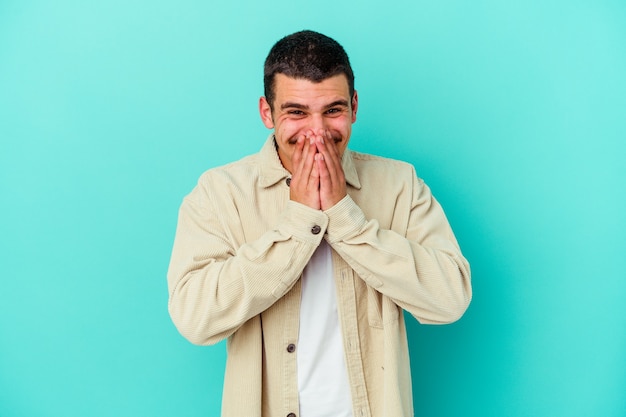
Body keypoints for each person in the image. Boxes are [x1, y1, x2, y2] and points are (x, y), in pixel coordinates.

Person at [167, 30, 472, 417]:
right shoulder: (218, 193)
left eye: (333, 110)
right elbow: (195, 318)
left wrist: (345, 216)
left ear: (354, 106)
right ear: (267, 112)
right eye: (296, 112)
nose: (317, 132)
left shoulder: (400, 185)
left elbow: (450, 299)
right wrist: (299, 222)